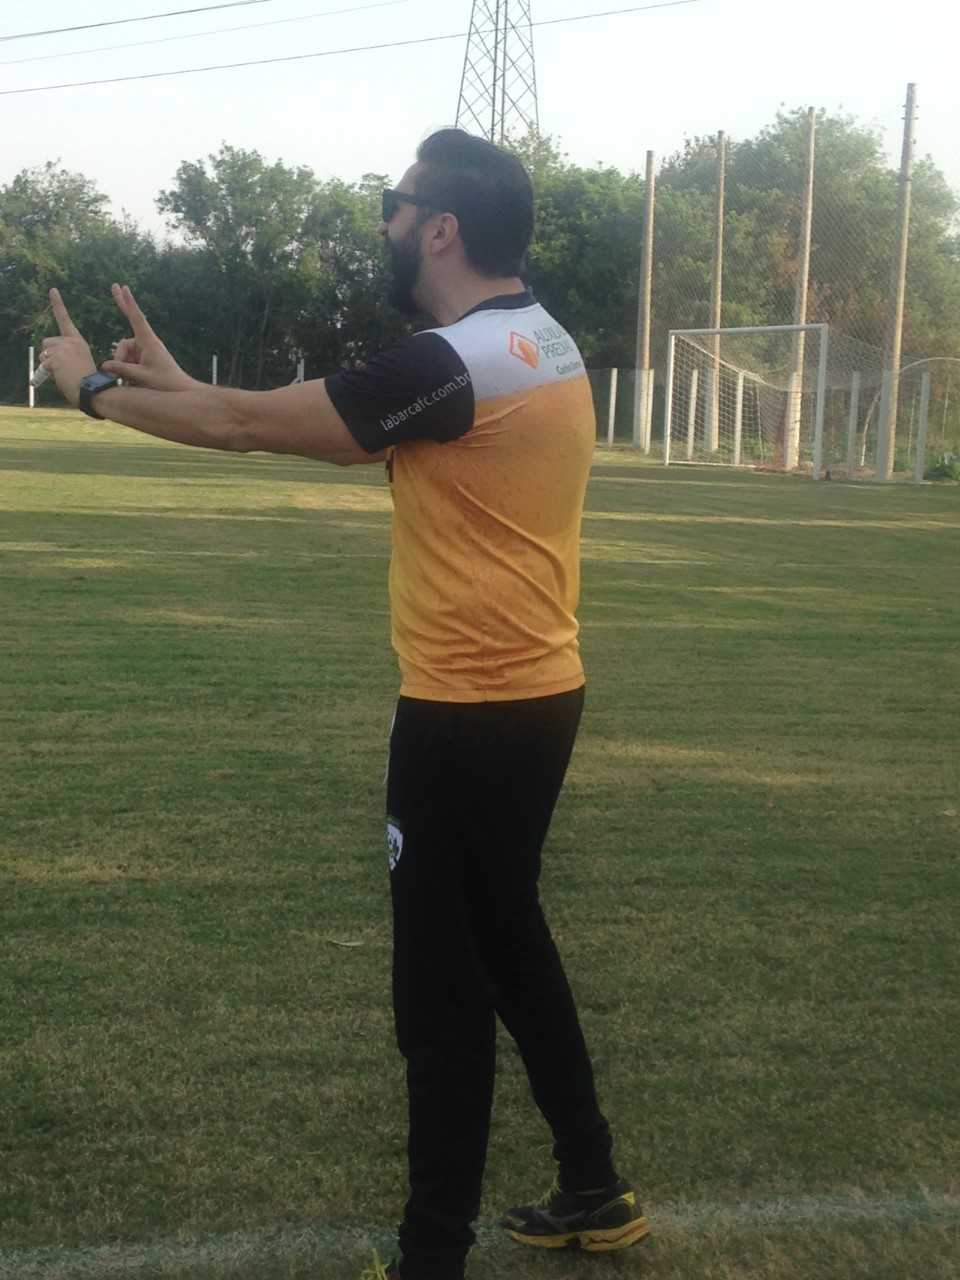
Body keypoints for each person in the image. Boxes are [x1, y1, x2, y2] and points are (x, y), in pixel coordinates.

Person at [38, 127, 649, 1280]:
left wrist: (96, 391)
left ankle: (431, 1256)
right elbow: (283, 417)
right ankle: (595, 1181)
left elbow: (248, 428)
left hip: (463, 716)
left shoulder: (449, 364)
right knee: (511, 939)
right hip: (537, 696)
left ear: (441, 228)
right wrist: (176, 385)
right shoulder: (535, 337)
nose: (384, 223)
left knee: (441, 996)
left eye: (393, 205)